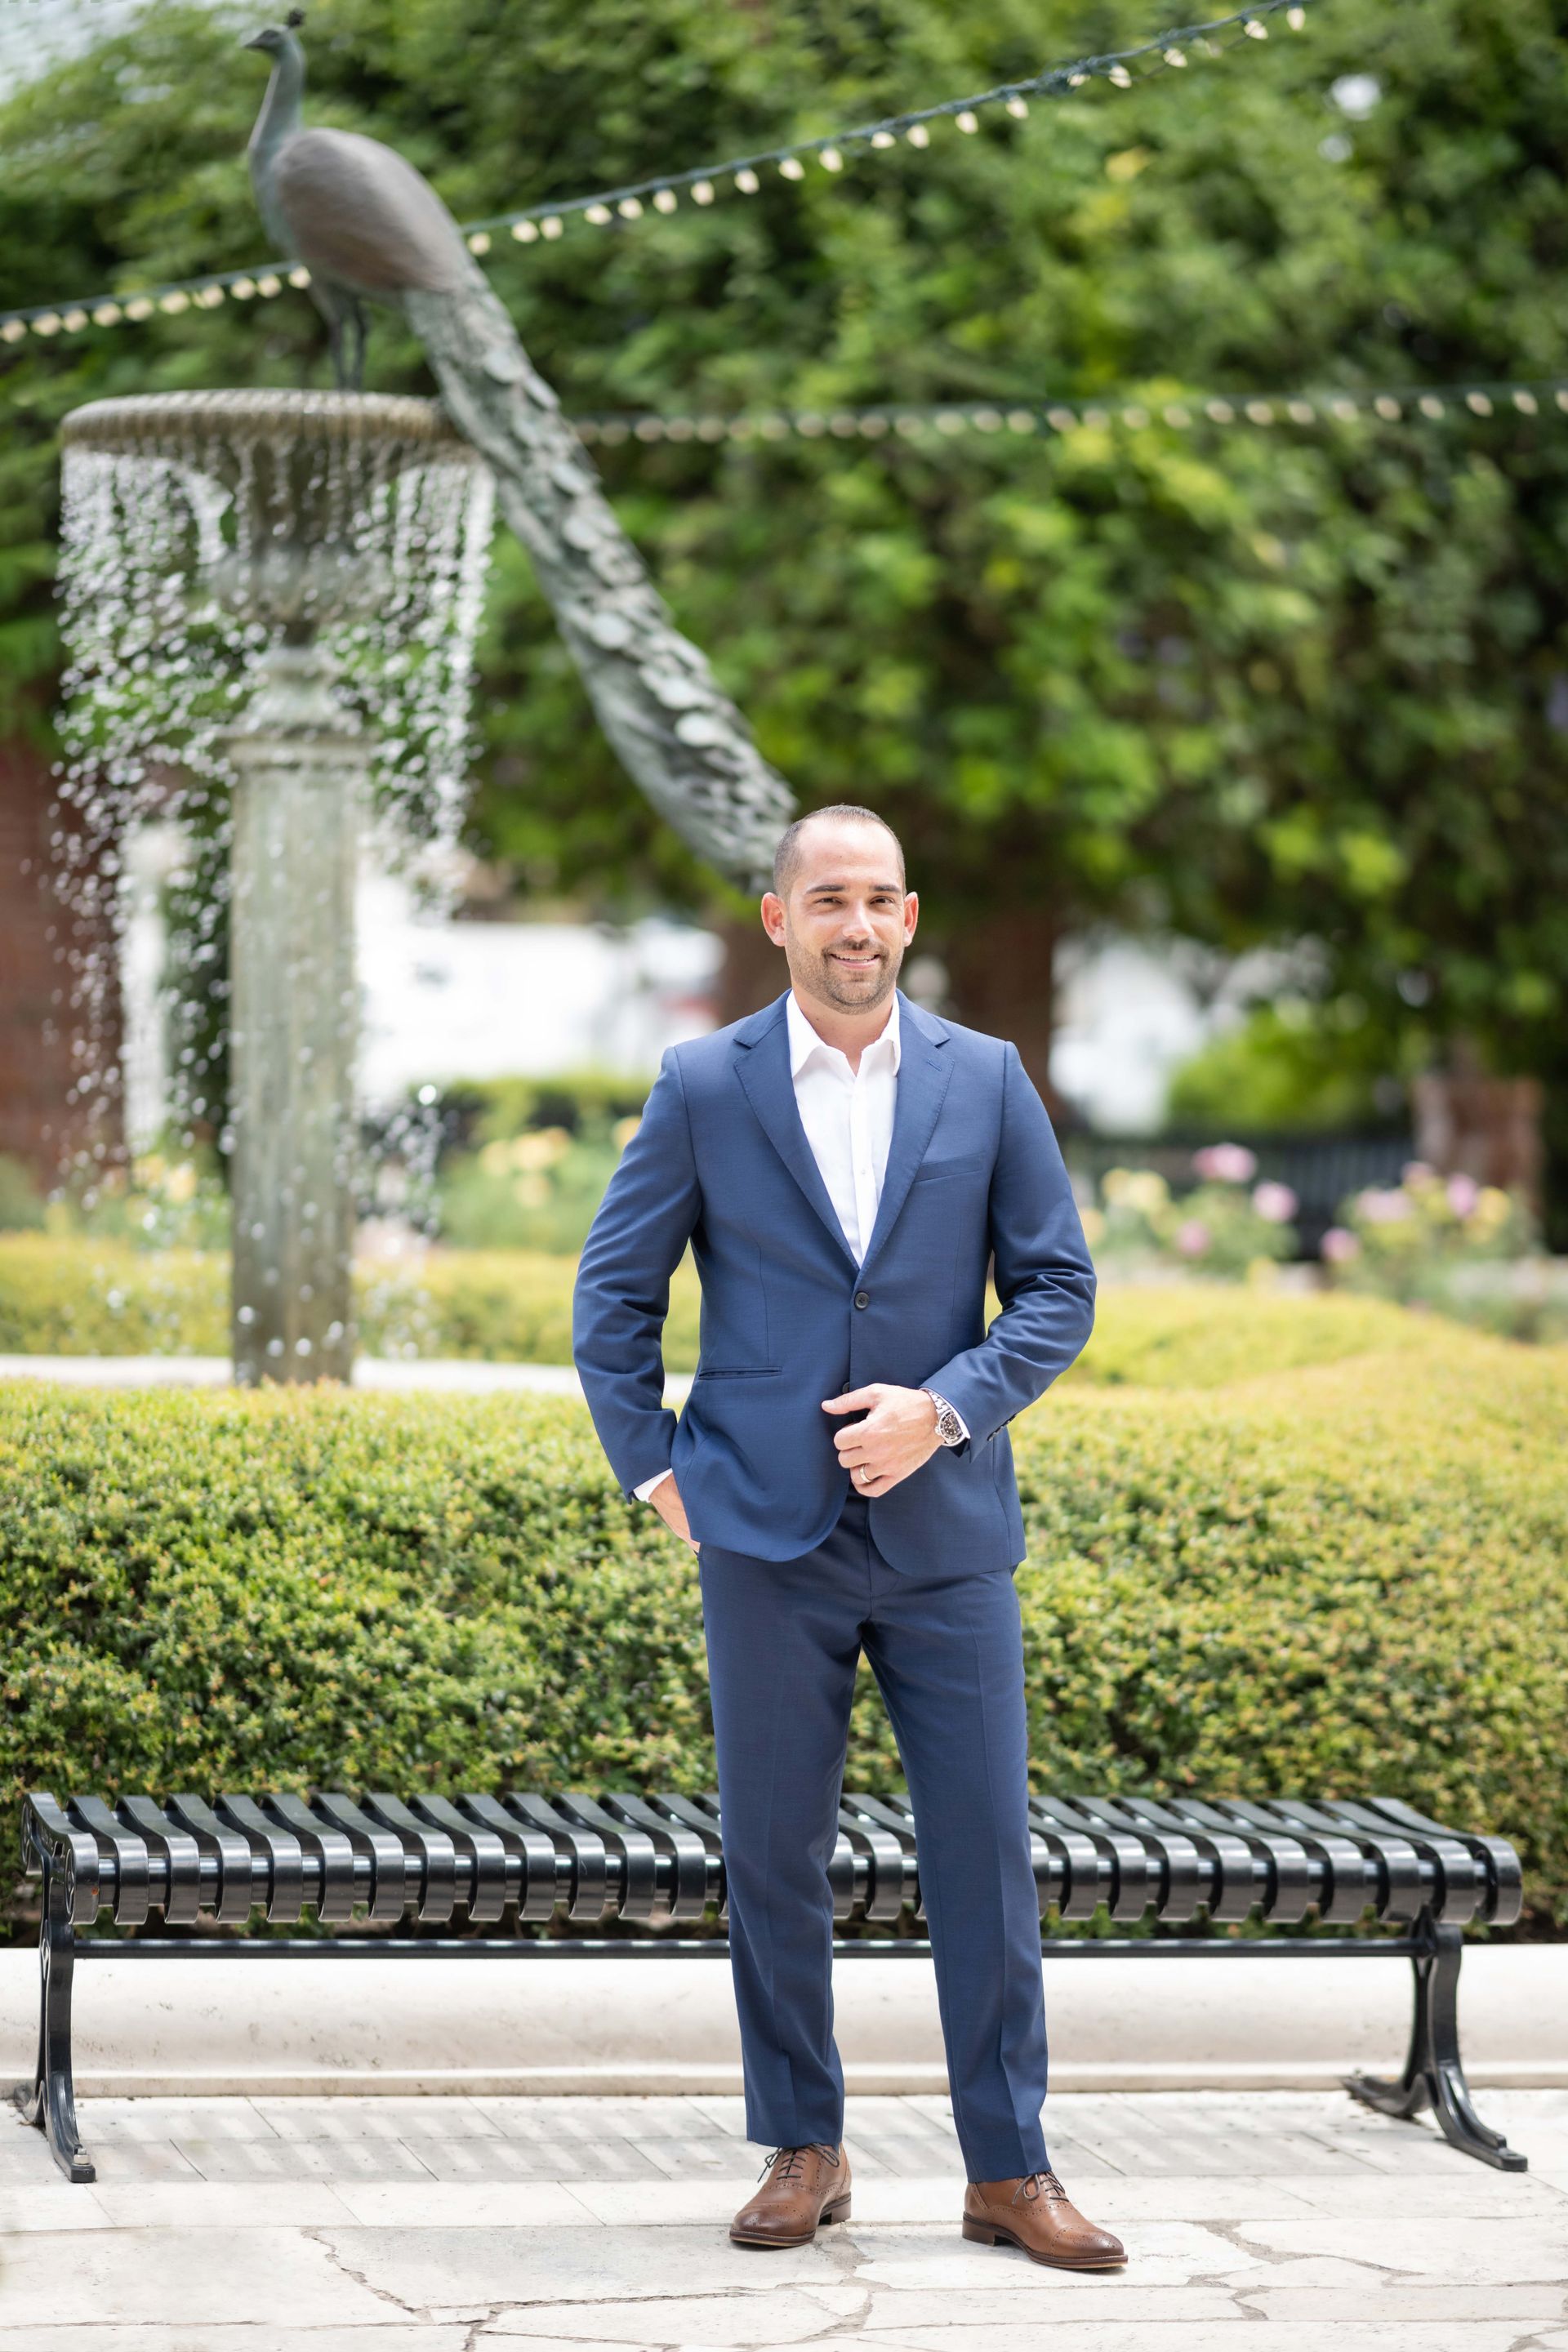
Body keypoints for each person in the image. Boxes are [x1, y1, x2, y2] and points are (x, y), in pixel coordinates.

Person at [572, 804, 1125, 2273]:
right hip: (762, 1536)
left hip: (946, 1537)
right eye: (828, 900)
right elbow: (611, 1297)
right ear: (780, 919)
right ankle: (802, 2149)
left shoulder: (988, 1080)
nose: (857, 926)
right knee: (772, 1853)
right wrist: (657, 1473)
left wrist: (944, 1412)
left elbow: (1058, 1291)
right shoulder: (704, 1084)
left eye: (879, 900)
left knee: (984, 1860)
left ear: (911, 915)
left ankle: (1009, 2169)